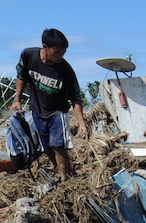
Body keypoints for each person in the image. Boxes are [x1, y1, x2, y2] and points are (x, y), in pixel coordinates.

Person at [10, 28, 88, 180]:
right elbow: (21, 76)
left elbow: (76, 98)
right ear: (45, 47)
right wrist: (16, 99)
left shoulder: (66, 71)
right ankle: (60, 171)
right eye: (57, 52)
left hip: (58, 113)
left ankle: (67, 180)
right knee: (46, 148)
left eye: (63, 53)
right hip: (38, 111)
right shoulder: (28, 56)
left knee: (58, 146)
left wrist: (82, 123)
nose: (60, 56)